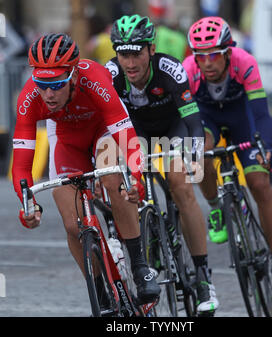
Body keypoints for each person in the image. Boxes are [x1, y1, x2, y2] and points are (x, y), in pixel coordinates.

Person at [12, 33, 161, 308]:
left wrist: (135, 178)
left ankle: (140, 268)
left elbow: (127, 138)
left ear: (73, 76)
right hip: (68, 139)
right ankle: (100, 293)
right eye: (42, 84)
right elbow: (22, 162)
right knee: (72, 222)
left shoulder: (94, 78)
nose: (48, 94)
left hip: (103, 131)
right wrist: (27, 203)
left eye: (56, 85)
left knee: (113, 176)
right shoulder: (30, 97)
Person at [106, 14, 219, 316]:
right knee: (127, 184)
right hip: (135, 134)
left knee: (181, 186)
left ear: (151, 50)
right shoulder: (111, 74)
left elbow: (194, 122)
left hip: (173, 129)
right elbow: (105, 129)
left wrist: (194, 154)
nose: (130, 63)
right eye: (123, 53)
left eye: (137, 53)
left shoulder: (170, 70)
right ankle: (145, 236)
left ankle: (204, 276)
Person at [183, 16, 272, 302]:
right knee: (200, 150)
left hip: (242, 118)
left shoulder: (245, 62)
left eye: (213, 55)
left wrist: (264, 148)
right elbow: (188, 120)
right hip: (207, 116)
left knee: (259, 183)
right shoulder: (189, 70)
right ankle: (216, 208)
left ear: (228, 52)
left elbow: (260, 114)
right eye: (201, 55)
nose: (207, 62)